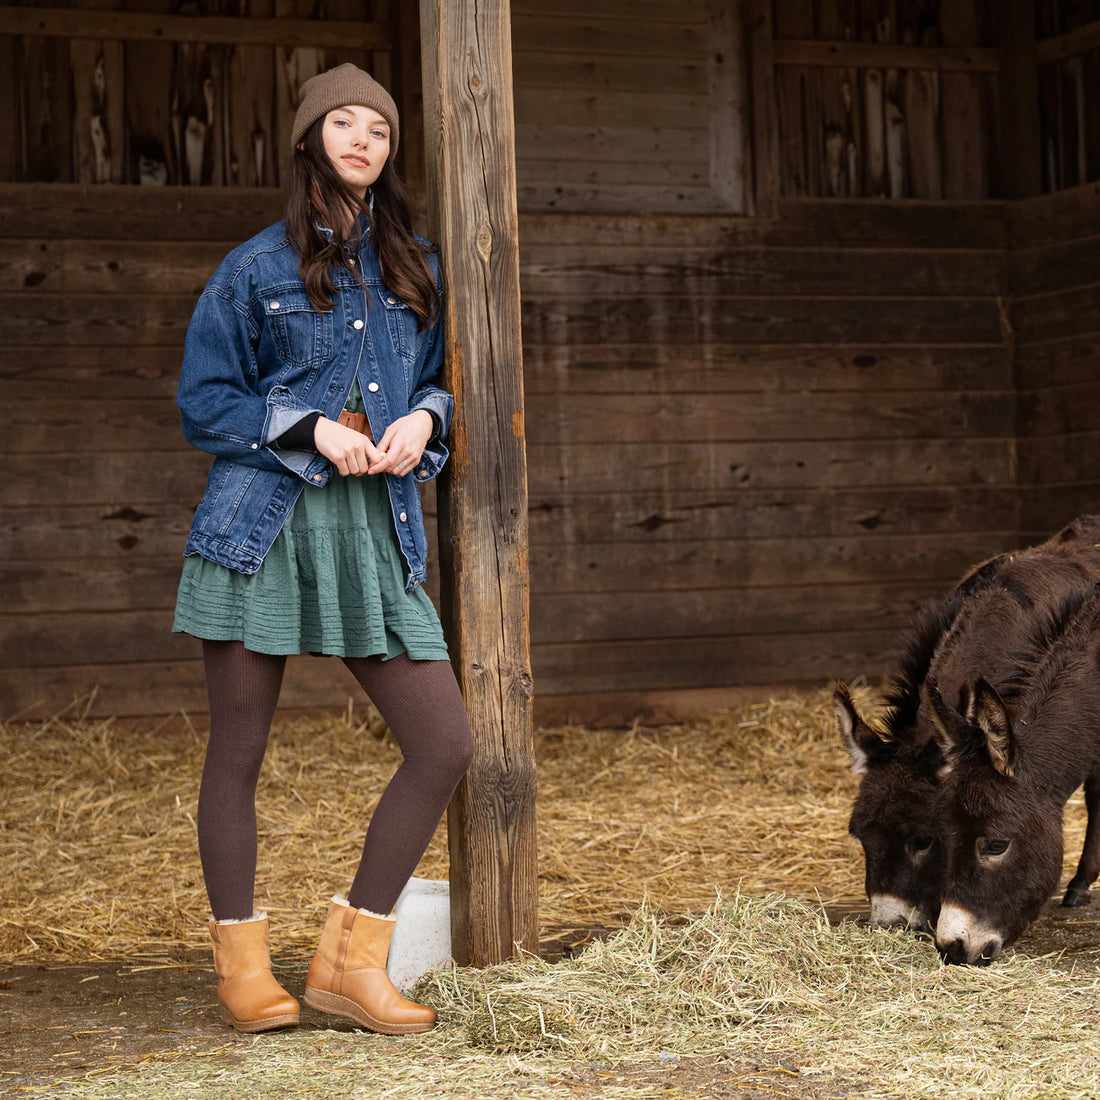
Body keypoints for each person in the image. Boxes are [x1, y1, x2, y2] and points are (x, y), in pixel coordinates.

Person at [172, 64, 474, 1036]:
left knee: (443, 742)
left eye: (377, 129)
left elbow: (439, 381)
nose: (360, 139)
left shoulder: (413, 262)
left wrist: (427, 418)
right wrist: (305, 425)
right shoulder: (253, 267)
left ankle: (351, 961)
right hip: (262, 522)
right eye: (340, 123)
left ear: (389, 151)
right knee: (239, 748)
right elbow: (205, 401)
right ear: (308, 139)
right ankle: (242, 965)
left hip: (371, 525)